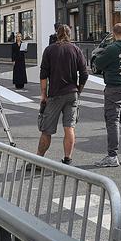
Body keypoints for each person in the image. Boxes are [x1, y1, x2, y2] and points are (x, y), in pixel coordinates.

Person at [36, 25, 88, 165]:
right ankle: (67, 159)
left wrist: (43, 94)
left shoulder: (50, 50)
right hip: (72, 93)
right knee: (69, 128)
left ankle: (38, 159)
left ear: (56, 35)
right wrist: (79, 89)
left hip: (55, 94)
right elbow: (84, 74)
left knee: (47, 130)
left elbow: (43, 74)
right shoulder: (76, 50)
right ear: (70, 35)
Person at [93, 23, 121, 167]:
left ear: (113, 33)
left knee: (112, 121)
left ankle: (112, 155)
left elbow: (98, 63)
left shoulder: (112, 48)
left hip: (114, 87)